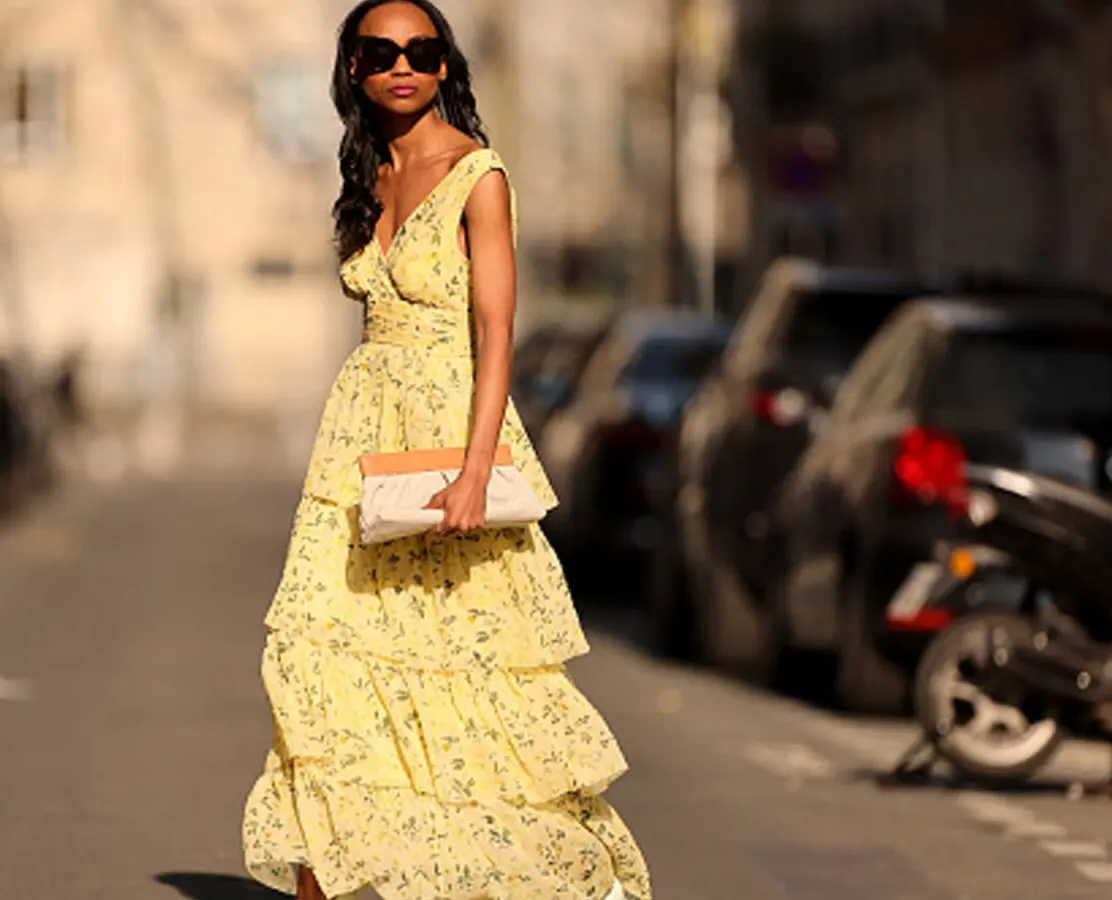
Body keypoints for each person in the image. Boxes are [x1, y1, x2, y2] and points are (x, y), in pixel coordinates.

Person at [240, 1, 653, 898]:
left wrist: (474, 472)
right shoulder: (368, 172)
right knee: (326, 658)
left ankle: (550, 877)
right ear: (353, 68)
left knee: (467, 674)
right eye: (381, 52)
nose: (403, 65)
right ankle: (344, 872)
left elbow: (496, 334)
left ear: (443, 65)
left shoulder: (479, 175)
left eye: (422, 51)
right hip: (360, 442)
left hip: (447, 432)